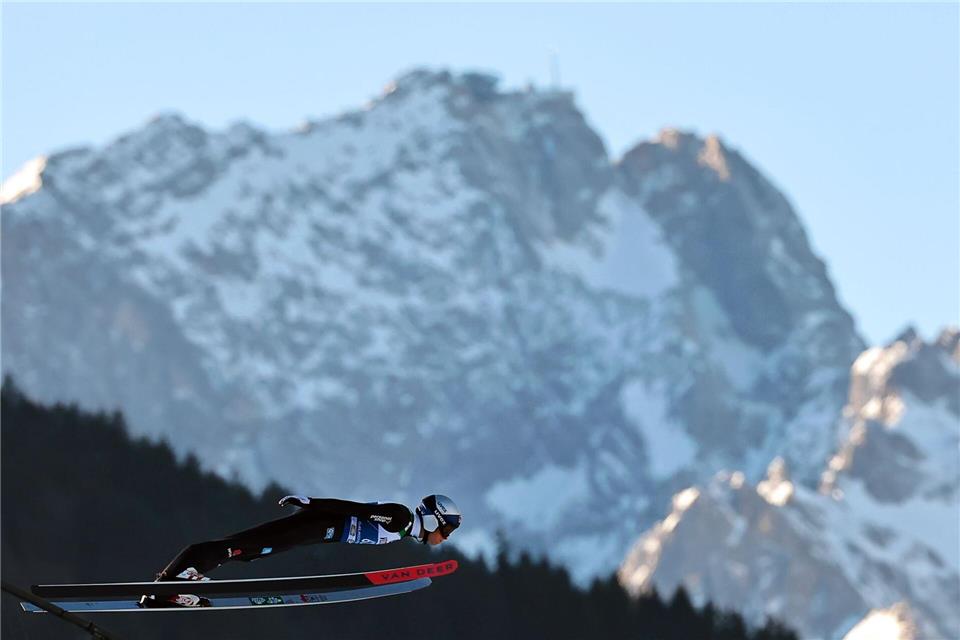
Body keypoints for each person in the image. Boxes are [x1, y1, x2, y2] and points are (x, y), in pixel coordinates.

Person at [139, 494, 462, 608]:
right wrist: (310, 502)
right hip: (306, 527)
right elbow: (353, 509)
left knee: (240, 551)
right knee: (235, 549)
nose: (444, 538)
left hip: (308, 532)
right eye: (447, 529)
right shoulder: (401, 517)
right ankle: (172, 584)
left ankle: (168, 588)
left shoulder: (402, 529)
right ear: (435, 520)